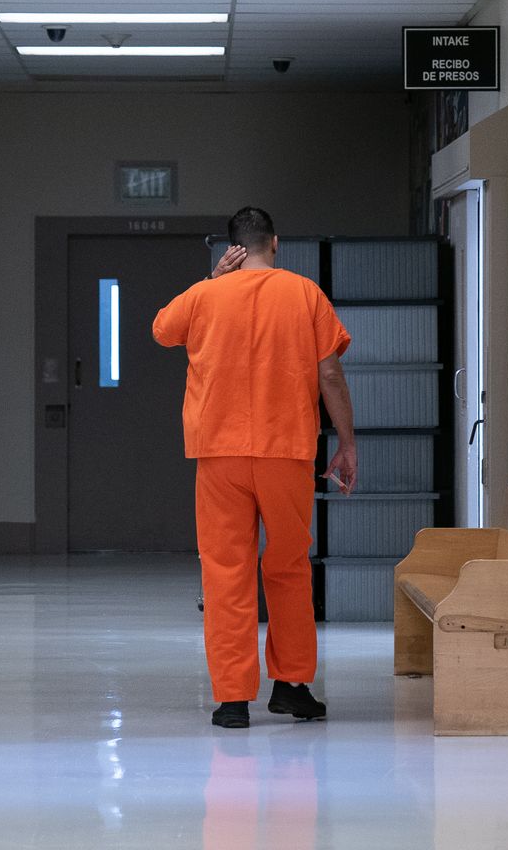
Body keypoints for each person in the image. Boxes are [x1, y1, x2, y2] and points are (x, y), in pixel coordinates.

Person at [153, 207, 359, 729]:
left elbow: (161, 329)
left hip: (218, 453)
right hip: (285, 451)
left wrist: (211, 279)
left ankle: (232, 699)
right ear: (276, 242)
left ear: (232, 248)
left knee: (225, 572)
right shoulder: (305, 294)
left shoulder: (204, 296)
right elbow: (329, 374)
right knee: (288, 567)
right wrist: (347, 444)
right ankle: (291, 686)